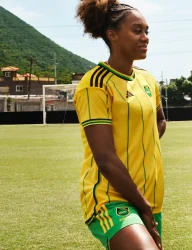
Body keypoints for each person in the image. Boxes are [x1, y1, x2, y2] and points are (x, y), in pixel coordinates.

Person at [74, 1, 165, 249]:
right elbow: (105, 158)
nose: (145, 37)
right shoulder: (95, 84)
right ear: (112, 35)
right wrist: (141, 204)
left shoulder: (148, 80)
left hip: (150, 196)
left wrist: (141, 145)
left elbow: (160, 120)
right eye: (137, 30)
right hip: (111, 197)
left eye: (147, 31)